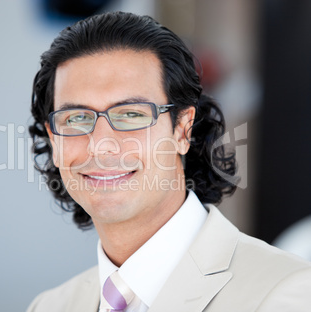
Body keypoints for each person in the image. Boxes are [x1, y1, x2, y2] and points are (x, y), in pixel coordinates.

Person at [26, 11, 311, 312]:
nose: (101, 145)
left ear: (182, 129)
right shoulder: (49, 306)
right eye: (77, 118)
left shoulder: (285, 293)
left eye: (131, 114)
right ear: (54, 140)